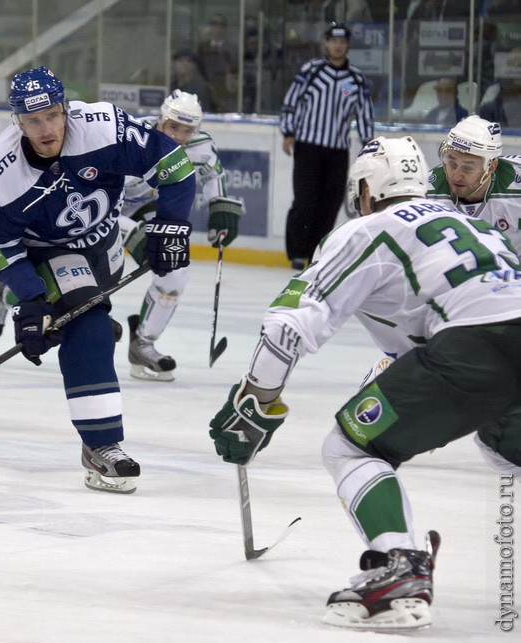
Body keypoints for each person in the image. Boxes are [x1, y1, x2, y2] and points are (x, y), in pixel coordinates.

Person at [207, 135, 521, 631]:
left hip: (474, 347)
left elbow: (290, 323)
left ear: (366, 191)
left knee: (350, 448)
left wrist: (254, 402)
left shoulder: (368, 230)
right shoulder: (468, 222)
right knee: (504, 446)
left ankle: (401, 568)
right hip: (492, 339)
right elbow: (413, 342)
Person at [0, 66, 195, 494]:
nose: (45, 128)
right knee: (88, 323)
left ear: (66, 110)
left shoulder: (103, 127)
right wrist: (34, 297)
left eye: (53, 115)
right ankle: (100, 445)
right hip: (44, 250)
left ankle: (54, 307)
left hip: (106, 235)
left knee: (93, 314)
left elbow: (174, 163)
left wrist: (172, 225)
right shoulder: (0, 174)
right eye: (33, 120)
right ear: (16, 120)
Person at [119, 90, 244, 381]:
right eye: (173, 127)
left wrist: (220, 208)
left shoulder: (201, 146)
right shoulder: (132, 138)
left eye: (187, 130)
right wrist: (132, 234)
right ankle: (7, 289)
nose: (178, 136)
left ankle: (144, 343)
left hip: (147, 206)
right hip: (99, 208)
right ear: (160, 120)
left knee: (174, 270)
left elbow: (214, 176)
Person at [280, 21, 374, 270]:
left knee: (330, 203)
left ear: (347, 45)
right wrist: (288, 133)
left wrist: (367, 144)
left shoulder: (356, 79)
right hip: (308, 146)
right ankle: (298, 252)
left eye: (342, 42)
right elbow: (291, 102)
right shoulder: (311, 71)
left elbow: (364, 113)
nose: (338, 46)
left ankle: (318, 252)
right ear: (326, 44)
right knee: (305, 200)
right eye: (334, 41)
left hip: (337, 150)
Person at [426, 115, 521, 249]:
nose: (456, 176)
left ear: (491, 167)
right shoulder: (425, 192)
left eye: (467, 168)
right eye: (452, 163)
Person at [196, 13, 239, 113]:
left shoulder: (233, 49)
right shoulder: (202, 48)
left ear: (226, 28)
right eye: (215, 24)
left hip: (227, 94)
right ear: (210, 27)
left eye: (222, 24)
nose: (218, 27)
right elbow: (198, 70)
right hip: (206, 92)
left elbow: (235, 72)